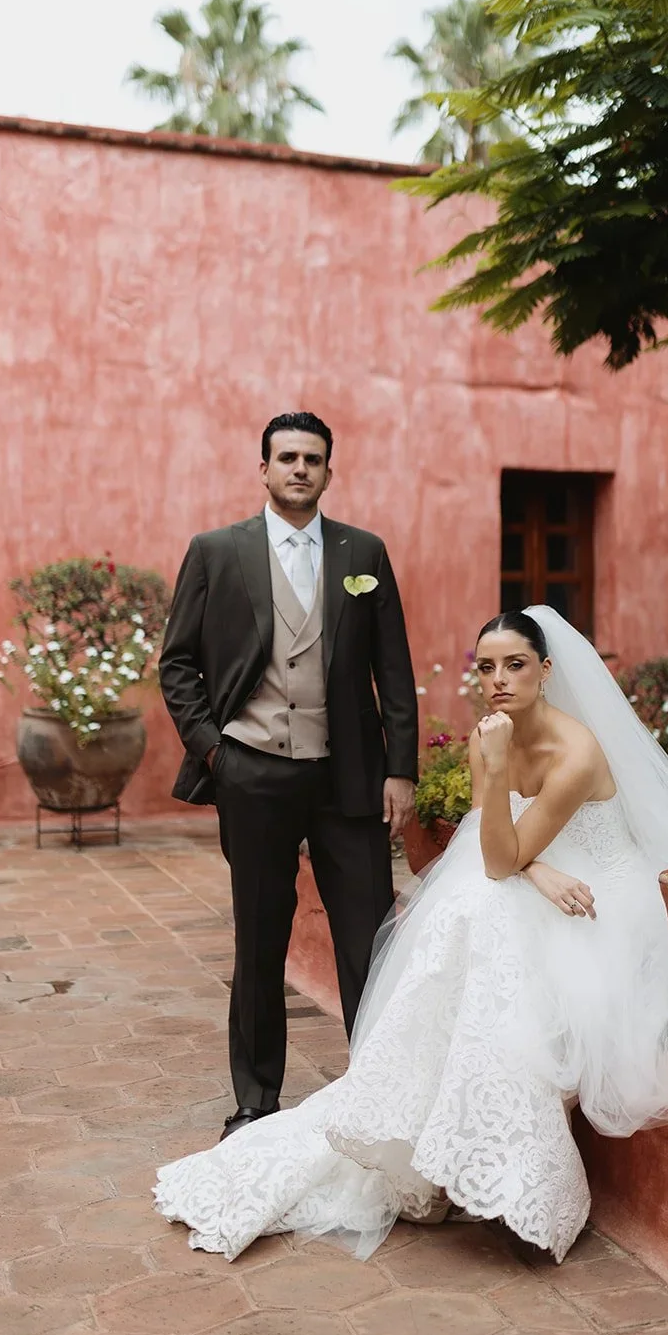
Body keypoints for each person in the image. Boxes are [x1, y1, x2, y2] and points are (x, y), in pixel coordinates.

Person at [154, 607, 668, 1263]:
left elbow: (497, 856)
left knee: (484, 910)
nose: (497, 680)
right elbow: (501, 853)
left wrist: (522, 849)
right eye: (485, 667)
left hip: (605, 892)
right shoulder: (488, 737)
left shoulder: (576, 752)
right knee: (475, 911)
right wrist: (536, 866)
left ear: (545, 671)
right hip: (539, 868)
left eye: (514, 665)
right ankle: (426, 1153)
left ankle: (493, 1161)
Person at [158, 411, 418, 1143]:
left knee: (368, 937)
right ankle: (255, 1101)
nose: (299, 468)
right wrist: (214, 750)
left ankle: (378, 1089)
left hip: (348, 776)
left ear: (328, 471)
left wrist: (400, 768)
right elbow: (176, 663)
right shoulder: (217, 552)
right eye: (286, 457)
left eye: (312, 458)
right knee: (261, 938)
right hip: (254, 773)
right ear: (263, 468)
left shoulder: (362, 551)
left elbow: (391, 666)